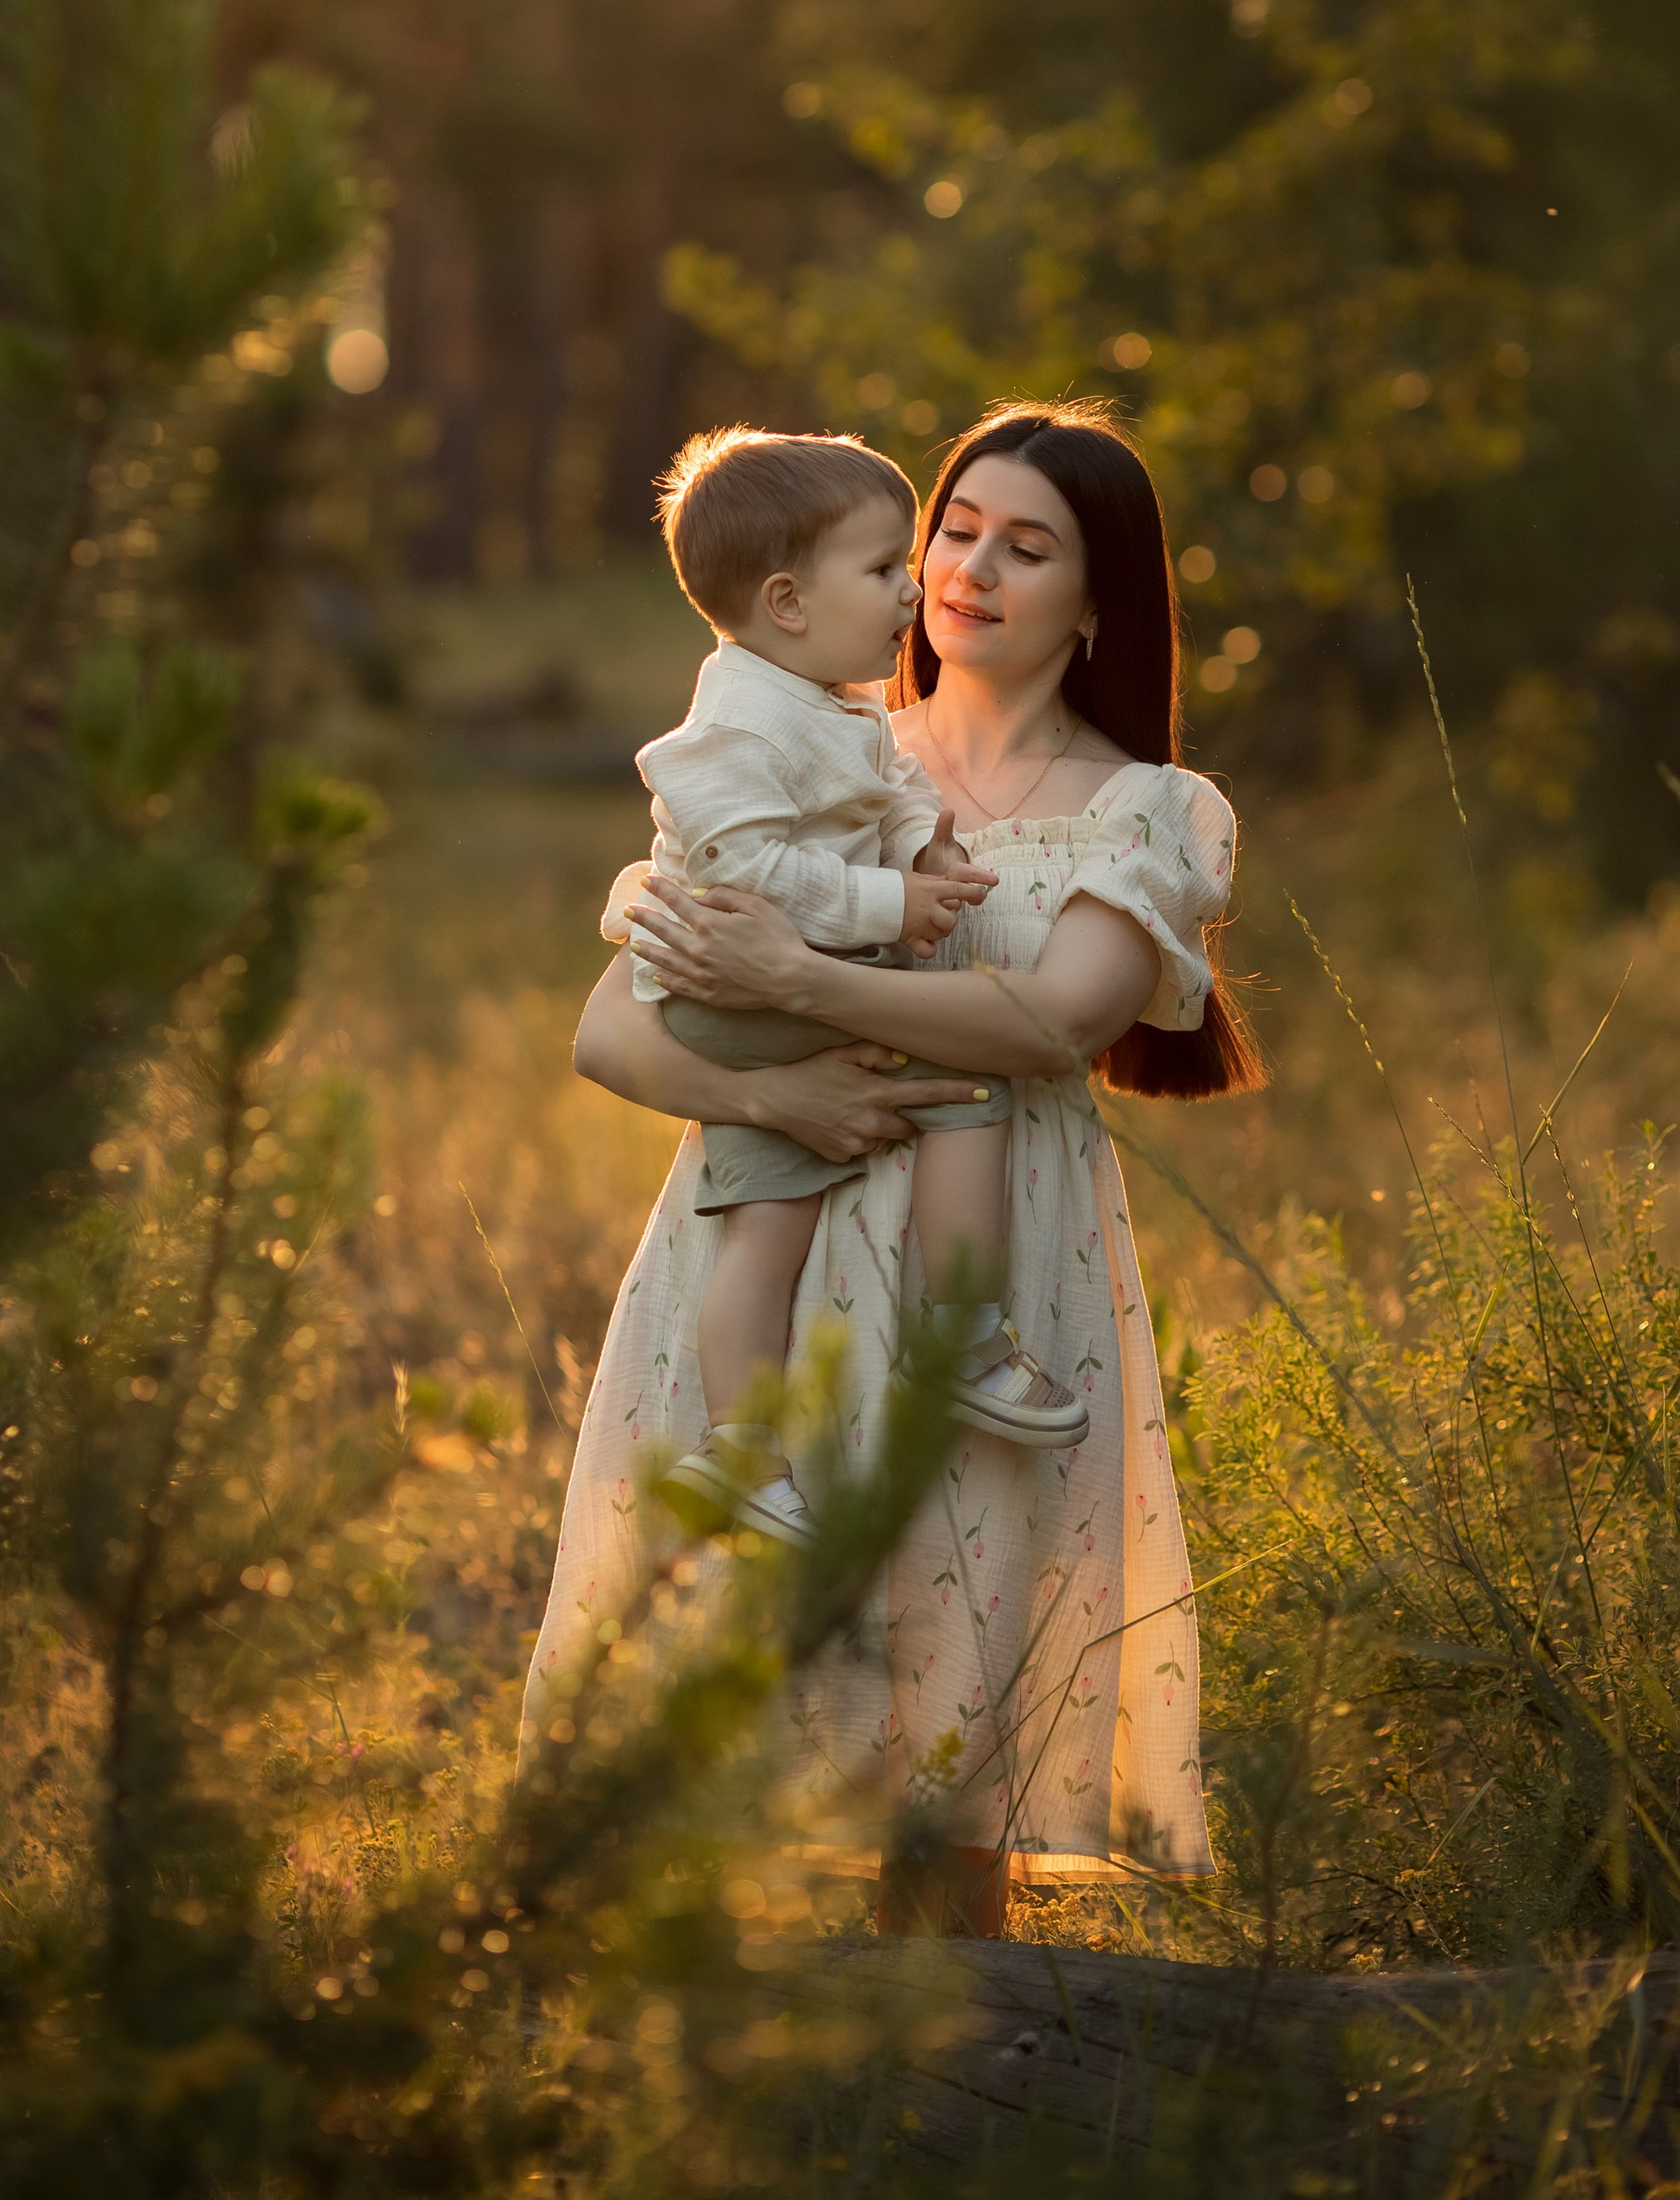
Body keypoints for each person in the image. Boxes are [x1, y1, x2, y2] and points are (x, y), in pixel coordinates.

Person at [524, 401, 1264, 1935]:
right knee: (745, 1680)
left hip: (983, 1292)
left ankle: (952, 2083)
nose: (969, 568)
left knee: (951, 1700)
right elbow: (614, 1031)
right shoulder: (796, 744)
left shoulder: (1147, 809)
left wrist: (798, 983)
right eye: (954, 528)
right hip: (767, 1246)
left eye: (1029, 546)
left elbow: (1053, 1020)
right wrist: (787, 1089)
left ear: (1100, 596)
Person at [610, 426, 1091, 1556]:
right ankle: (832, 1398)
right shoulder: (732, 728)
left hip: (789, 985)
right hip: (742, 1002)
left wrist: (922, 846)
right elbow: (746, 875)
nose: (917, 584)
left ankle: (860, 1385)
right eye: (890, 567)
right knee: (805, 1200)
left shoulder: (826, 700)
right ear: (785, 600)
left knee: (866, 1154)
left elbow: (877, 793)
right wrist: (885, 912)